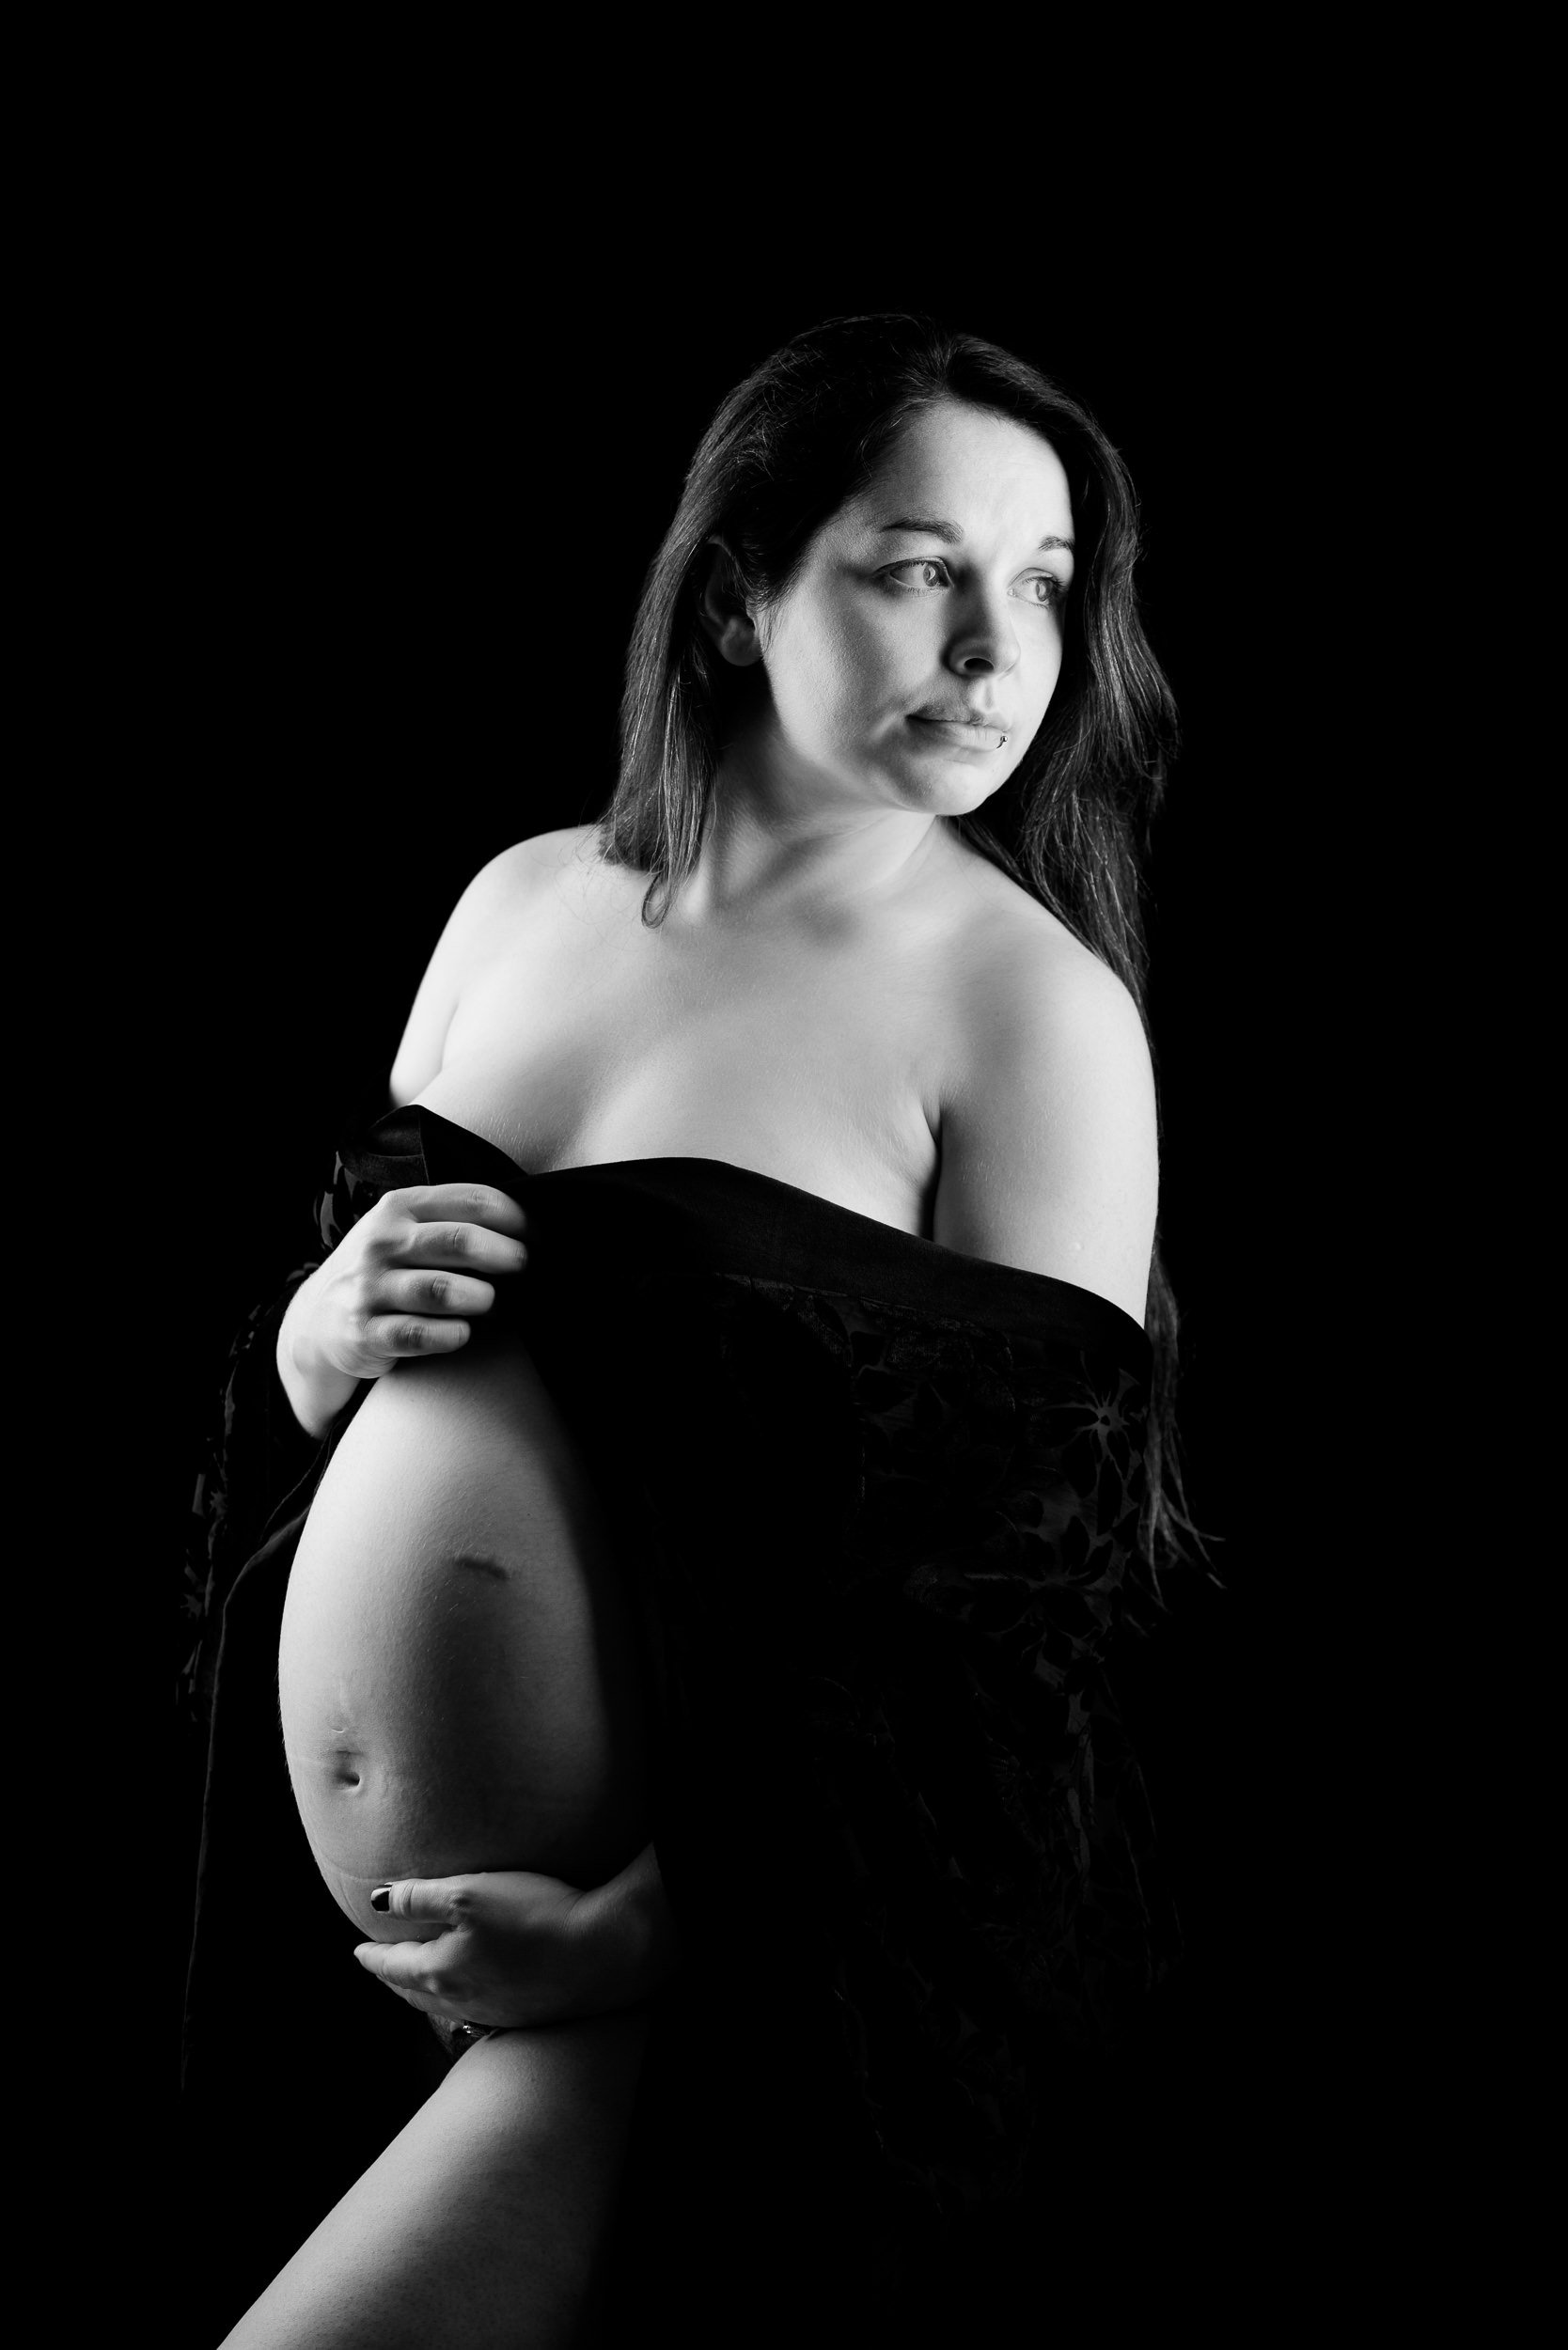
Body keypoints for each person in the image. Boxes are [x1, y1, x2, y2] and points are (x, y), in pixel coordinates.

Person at [182, 312, 1199, 2347]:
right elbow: (335, 1410)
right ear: (740, 596)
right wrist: (309, 1345)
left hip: (718, 1991)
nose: (998, 652)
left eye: (1045, 585)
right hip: (376, 2007)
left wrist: (652, 1929)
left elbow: (1019, 1635)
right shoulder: (516, 905)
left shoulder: (1030, 1016)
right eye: (922, 570)